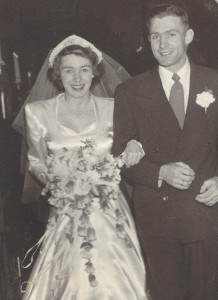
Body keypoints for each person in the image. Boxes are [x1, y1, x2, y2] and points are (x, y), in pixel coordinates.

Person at [20, 35, 148, 300]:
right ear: (58, 74)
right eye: (69, 70)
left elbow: (131, 142)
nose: (77, 78)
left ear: (95, 72)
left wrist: (135, 143)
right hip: (68, 208)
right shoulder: (38, 112)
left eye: (84, 70)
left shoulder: (115, 107)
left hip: (110, 209)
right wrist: (63, 186)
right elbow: (36, 161)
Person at [112, 2, 218, 300]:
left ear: (189, 36)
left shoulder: (215, 82)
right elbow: (119, 157)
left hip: (206, 212)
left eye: (171, 34)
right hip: (158, 218)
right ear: (148, 41)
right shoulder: (130, 91)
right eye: (155, 36)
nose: (163, 44)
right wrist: (161, 171)